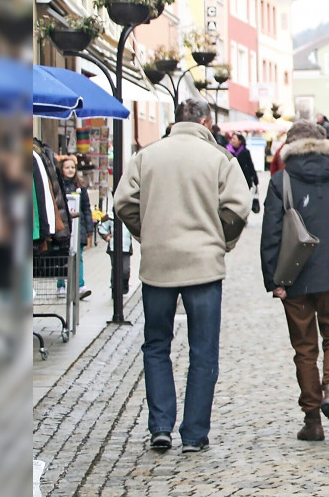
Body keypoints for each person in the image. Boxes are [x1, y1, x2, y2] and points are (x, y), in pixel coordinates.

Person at [114, 98, 250, 453]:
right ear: (206, 122)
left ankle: (160, 426)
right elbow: (238, 207)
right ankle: (194, 433)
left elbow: (123, 203)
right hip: (203, 265)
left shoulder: (147, 156)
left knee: (156, 345)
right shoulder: (220, 159)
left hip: (158, 264)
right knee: (203, 350)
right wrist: (221, 240)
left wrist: (147, 233)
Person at [260, 120, 329, 442]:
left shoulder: (281, 180)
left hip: (296, 272)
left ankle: (312, 420)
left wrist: (273, 279)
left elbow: (272, 234)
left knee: (305, 348)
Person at [58, 157, 92, 300]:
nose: (70, 170)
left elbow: (86, 209)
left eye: (72, 167)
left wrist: (89, 229)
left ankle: (80, 285)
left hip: (79, 228)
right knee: (61, 257)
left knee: (79, 257)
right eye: (67, 167)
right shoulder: (57, 187)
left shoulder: (81, 188)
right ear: (61, 169)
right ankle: (61, 285)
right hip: (63, 228)